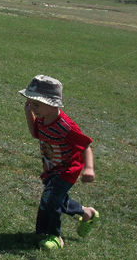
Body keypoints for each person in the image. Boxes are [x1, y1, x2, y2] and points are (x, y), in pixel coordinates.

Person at [19, 75, 99, 249]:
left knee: (50, 200)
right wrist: (28, 114)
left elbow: (85, 146)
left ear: (52, 103)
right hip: (51, 168)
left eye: (36, 104)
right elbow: (36, 134)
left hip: (67, 170)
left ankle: (54, 236)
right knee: (56, 199)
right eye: (30, 103)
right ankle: (86, 213)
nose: (32, 108)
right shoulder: (41, 118)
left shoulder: (65, 126)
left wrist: (89, 168)